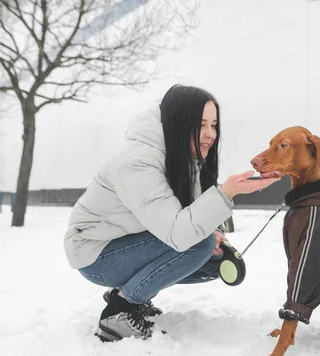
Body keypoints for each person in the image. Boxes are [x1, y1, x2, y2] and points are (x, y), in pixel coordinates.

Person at [63, 84, 280, 342]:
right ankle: (119, 311)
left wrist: (214, 231)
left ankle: (129, 294)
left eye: (214, 125)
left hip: (128, 242)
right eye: (201, 125)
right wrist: (226, 193)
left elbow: (187, 212)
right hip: (96, 256)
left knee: (213, 261)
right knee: (199, 245)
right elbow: (179, 234)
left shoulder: (182, 157)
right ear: (178, 121)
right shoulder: (139, 161)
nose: (210, 134)